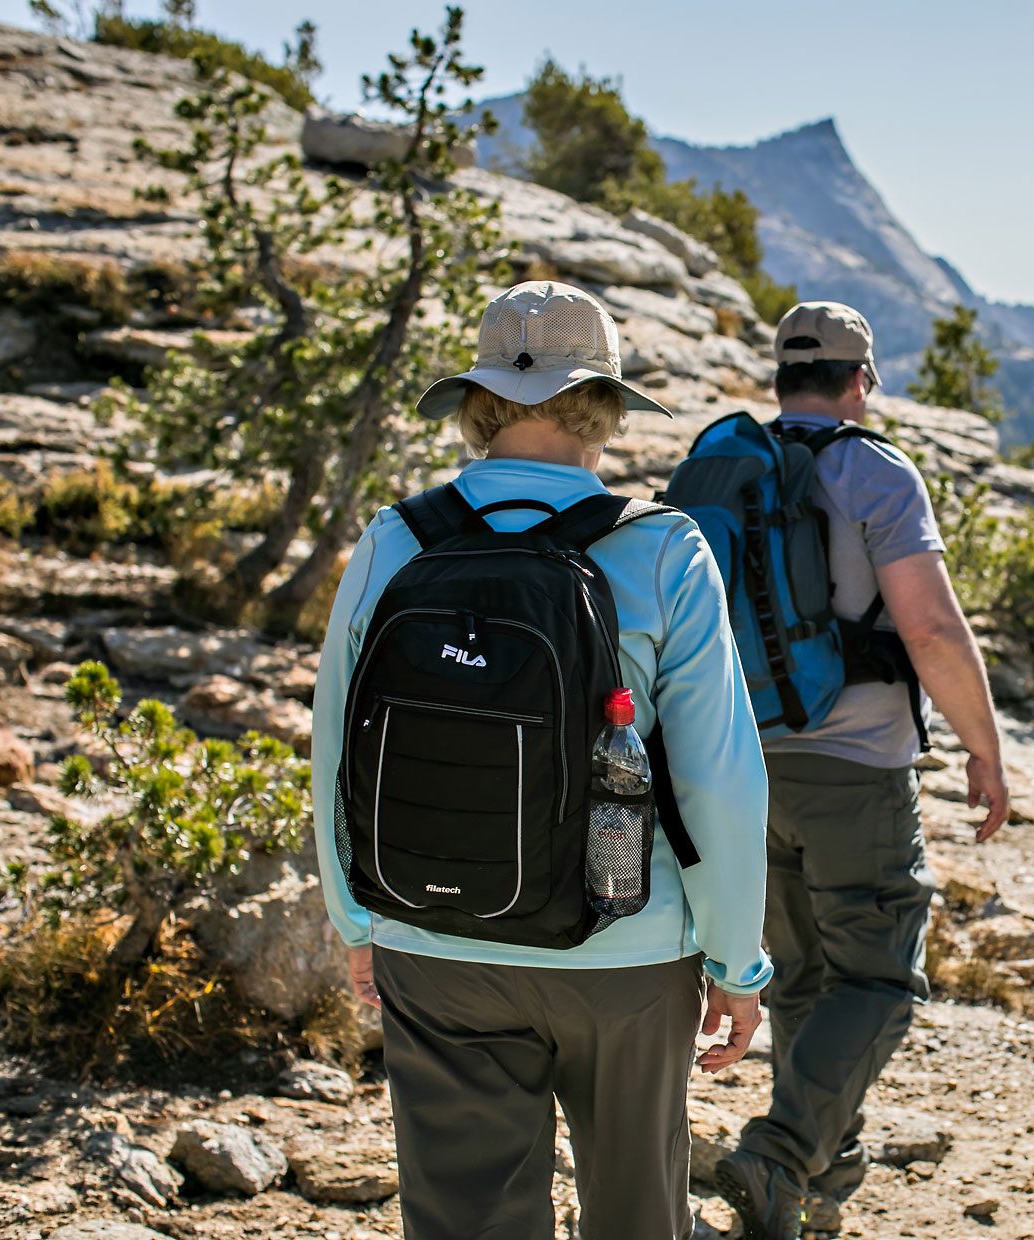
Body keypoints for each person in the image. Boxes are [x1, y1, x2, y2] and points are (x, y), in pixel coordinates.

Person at [310, 280, 771, 1240]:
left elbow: (334, 744)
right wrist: (735, 960)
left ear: (477, 404)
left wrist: (357, 917)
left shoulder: (397, 538)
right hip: (624, 948)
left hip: (429, 937)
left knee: (465, 1220)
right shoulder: (662, 549)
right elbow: (718, 781)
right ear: (602, 406)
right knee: (637, 1213)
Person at [715, 302, 1012, 1239]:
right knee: (880, 981)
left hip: (743, 767)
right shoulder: (874, 471)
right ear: (861, 381)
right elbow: (927, 628)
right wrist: (985, 747)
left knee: (801, 981)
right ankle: (779, 1156)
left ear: (778, 381)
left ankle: (809, 1184)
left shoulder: (729, 467)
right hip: (856, 769)